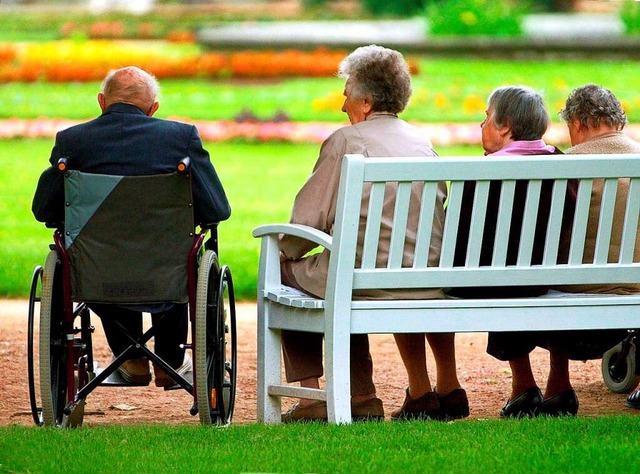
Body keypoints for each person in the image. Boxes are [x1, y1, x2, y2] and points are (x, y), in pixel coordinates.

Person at [278, 44, 465, 422]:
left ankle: (314, 397)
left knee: (290, 275)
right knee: (342, 271)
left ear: (364, 102)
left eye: (345, 95)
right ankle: (361, 396)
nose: (341, 105)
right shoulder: (421, 142)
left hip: (363, 278)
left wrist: (287, 251)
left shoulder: (346, 142)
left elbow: (305, 225)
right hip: (425, 276)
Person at [32, 66, 231, 387]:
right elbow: (217, 209)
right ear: (153, 108)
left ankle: (133, 360)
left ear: (101, 102)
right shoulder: (181, 139)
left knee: (100, 256)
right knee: (176, 259)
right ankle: (169, 361)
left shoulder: (73, 142)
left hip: (98, 275)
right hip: (166, 271)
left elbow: (44, 210)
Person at [447, 85, 579, 418]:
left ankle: (523, 385)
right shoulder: (561, 163)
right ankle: (559, 384)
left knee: (500, 267)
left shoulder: (481, 173)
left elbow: (455, 235)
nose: (482, 125)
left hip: (493, 281)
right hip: (552, 280)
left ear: (505, 126)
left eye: (486, 117)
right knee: (533, 271)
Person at [556, 84, 640, 410]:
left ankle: (555, 382)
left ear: (577, 123)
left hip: (580, 283)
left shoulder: (562, 163)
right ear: (617, 121)